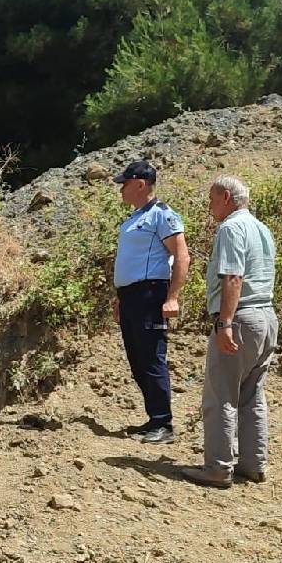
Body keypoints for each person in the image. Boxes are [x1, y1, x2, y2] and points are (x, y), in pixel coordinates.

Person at [182, 175, 278, 488]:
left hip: (241, 319)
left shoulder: (231, 228)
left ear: (225, 197)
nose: (209, 206)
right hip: (266, 318)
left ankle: (218, 468)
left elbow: (233, 278)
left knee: (220, 395)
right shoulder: (262, 229)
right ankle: (253, 464)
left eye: (211, 199)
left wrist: (224, 323)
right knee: (252, 394)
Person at [110, 160, 190, 444]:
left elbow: (181, 256)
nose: (121, 189)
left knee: (152, 357)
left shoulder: (162, 215)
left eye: (125, 183)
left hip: (150, 294)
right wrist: (122, 297)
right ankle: (153, 418)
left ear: (140, 184)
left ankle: (163, 424)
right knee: (137, 360)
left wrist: (172, 297)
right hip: (131, 297)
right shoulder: (133, 219)